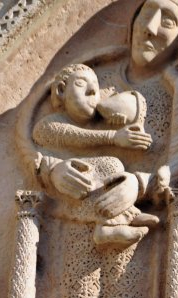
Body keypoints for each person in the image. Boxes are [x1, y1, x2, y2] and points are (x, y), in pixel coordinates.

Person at [32, 63, 159, 247]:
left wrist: (115, 119)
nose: (92, 91)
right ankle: (108, 225)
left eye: (96, 86)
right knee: (111, 164)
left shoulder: (98, 123)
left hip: (82, 196)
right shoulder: (47, 125)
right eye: (81, 84)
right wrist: (114, 137)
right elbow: (74, 137)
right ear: (61, 90)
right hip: (69, 195)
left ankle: (123, 214)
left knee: (114, 170)